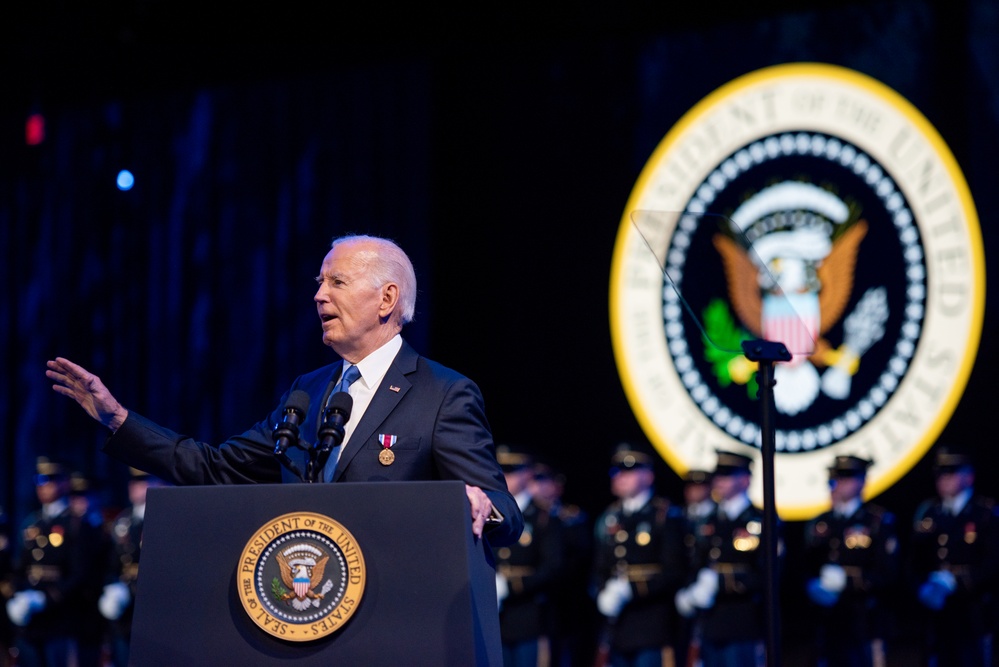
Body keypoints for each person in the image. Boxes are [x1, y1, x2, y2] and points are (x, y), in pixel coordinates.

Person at [46, 234, 522, 546]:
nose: (319, 295)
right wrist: (118, 420)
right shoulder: (308, 392)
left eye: (337, 281)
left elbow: (503, 513)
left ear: (387, 298)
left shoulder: (443, 393)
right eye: (319, 283)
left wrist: (477, 508)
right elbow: (215, 468)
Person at [592, 443, 686, 667]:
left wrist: (631, 589)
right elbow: (601, 566)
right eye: (617, 472)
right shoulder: (611, 517)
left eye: (629, 471)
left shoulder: (664, 515)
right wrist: (601, 592)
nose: (620, 477)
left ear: (649, 476)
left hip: (652, 625)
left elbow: (674, 571)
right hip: (618, 628)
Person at [5, 458, 105, 667]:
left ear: (64, 483)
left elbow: (81, 573)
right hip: (31, 621)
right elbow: (21, 567)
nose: (43, 486)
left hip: (62, 618)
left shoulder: (76, 523)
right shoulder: (33, 523)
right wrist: (17, 595)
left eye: (50, 479)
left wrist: (46, 598)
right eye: (39, 480)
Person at [675, 450, 770, 667]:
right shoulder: (707, 519)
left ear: (745, 479)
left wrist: (720, 582)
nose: (719, 481)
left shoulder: (761, 520)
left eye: (727, 475)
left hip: (744, 622)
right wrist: (689, 591)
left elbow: (767, 575)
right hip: (710, 623)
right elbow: (697, 563)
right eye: (718, 475)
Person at [802, 454, 899, 667]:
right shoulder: (821, 522)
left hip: (864, 621)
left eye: (846, 478)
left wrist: (848, 580)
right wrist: (812, 586)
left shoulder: (876, 521)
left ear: (862, 481)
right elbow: (806, 566)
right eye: (835, 479)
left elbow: (887, 572)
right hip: (826, 622)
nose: (838, 485)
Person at [908, 448, 999, 667]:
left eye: (952, 473)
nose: (945, 479)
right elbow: (913, 561)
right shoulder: (929, 513)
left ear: (969, 476)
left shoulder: (985, 513)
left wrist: (957, 582)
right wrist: (923, 588)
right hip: (937, 614)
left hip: (974, 613)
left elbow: (994, 562)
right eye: (941, 474)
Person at [493, 446, 564, 667]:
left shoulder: (543, 517)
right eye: (501, 469)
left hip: (530, 618)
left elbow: (553, 568)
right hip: (496, 618)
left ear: (527, 474)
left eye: (511, 469)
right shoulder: (491, 511)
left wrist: (511, 585)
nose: (505, 475)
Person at [528, 461, 597, 667]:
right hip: (540, 603)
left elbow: (579, 559)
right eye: (534, 481)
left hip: (568, 603)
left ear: (557, 485)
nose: (537, 487)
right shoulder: (531, 518)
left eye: (543, 481)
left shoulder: (570, 518)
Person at [100, 468, 165, 667]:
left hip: (154, 601)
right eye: (134, 482)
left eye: (144, 481)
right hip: (124, 604)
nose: (136, 487)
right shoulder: (123, 521)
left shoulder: (164, 518)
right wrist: (112, 587)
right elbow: (111, 563)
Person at [674, 469, 715, 667]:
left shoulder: (717, 516)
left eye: (700, 487)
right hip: (682, 593)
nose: (694, 492)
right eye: (690, 487)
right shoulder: (678, 517)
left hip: (710, 593)